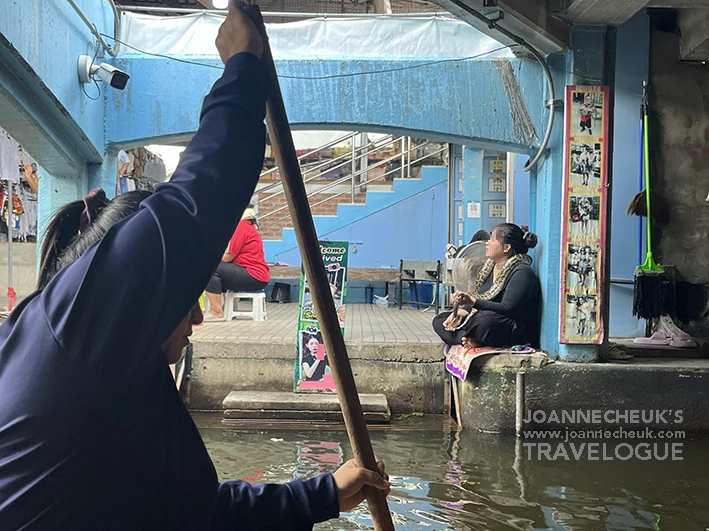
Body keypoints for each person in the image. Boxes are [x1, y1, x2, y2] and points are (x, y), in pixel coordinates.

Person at [0, 6, 389, 530]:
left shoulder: (120, 394)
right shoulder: (71, 335)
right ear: (137, 289)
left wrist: (322, 495)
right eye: (186, 301)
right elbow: (198, 199)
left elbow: (198, 513)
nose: (199, 320)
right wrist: (243, 65)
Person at [432, 223, 541, 349]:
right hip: (485, 319)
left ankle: (469, 337)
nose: (487, 243)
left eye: (493, 239)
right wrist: (464, 311)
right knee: (440, 320)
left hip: (510, 326)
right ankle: (469, 339)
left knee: (484, 320)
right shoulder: (489, 268)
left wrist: (473, 302)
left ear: (506, 247)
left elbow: (508, 308)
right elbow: (481, 295)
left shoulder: (522, 272)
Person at [205, 204, 270, 320]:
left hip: (253, 274)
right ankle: (222, 308)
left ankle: (216, 311)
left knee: (209, 269)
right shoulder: (248, 227)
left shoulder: (241, 226)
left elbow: (227, 257)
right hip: (257, 275)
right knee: (218, 273)